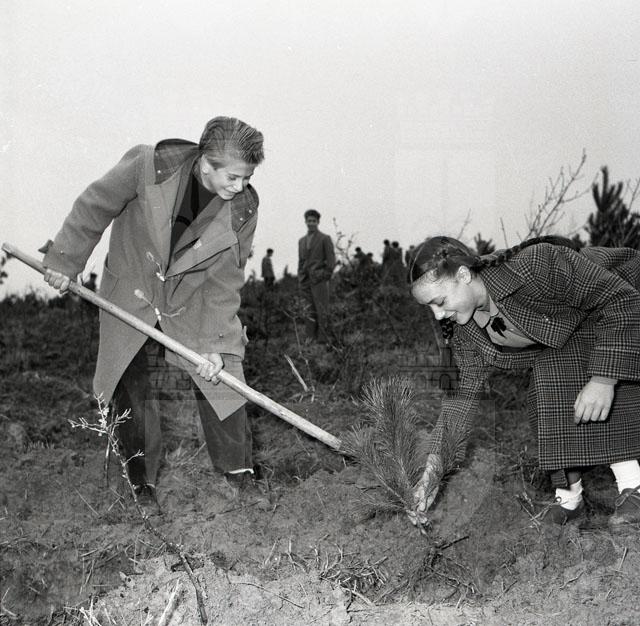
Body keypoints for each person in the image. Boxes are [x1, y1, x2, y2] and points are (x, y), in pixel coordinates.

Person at [41, 116, 265, 511]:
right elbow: (95, 205)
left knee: (223, 375)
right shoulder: (149, 166)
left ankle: (240, 476)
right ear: (205, 163)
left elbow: (225, 280)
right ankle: (141, 488)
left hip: (190, 301)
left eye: (247, 178)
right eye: (232, 177)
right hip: (132, 289)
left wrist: (215, 343)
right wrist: (65, 260)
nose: (240, 186)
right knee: (132, 385)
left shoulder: (242, 210)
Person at [407, 235, 640, 531]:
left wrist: (603, 379)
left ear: (463, 275)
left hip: (628, 303)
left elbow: (621, 300)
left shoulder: (534, 266)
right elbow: (458, 399)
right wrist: (432, 474)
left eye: (439, 302)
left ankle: (634, 487)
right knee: (545, 389)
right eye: (429, 307)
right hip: (576, 331)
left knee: (583, 366)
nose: (439, 314)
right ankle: (570, 500)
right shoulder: (463, 331)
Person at [297, 209, 335, 342]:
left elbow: (331, 261)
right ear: (305, 222)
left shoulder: (325, 238)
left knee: (322, 309)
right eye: (309, 221)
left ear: (318, 222)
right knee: (308, 310)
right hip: (305, 281)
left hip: (319, 280)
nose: (311, 223)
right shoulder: (301, 241)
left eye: (314, 221)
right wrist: (300, 277)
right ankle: (310, 338)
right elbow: (301, 261)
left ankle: (323, 339)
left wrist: (324, 275)